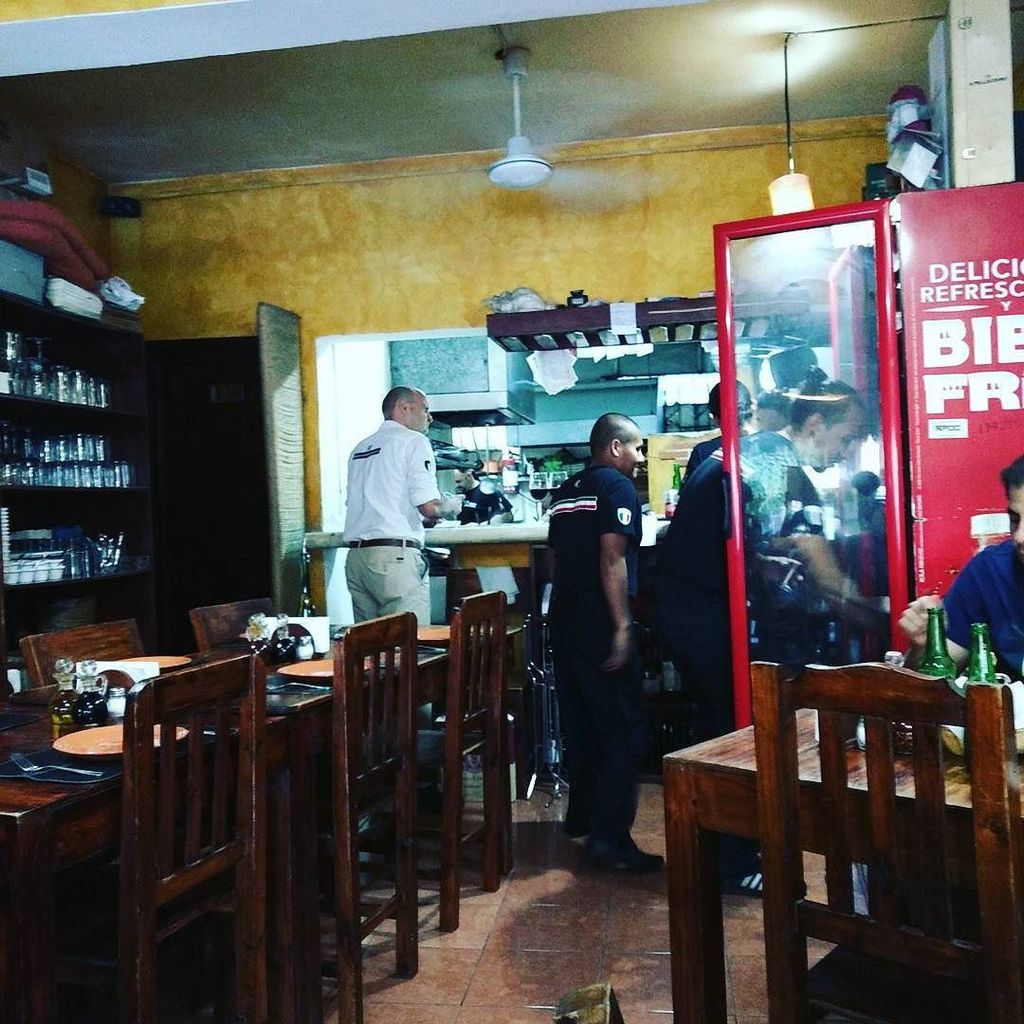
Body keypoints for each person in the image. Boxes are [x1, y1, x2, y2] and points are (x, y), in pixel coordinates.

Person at [656, 370, 871, 893]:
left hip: (694, 607)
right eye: (846, 438)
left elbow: (770, 556)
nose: (847, 453)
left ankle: (727, 851)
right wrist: (873, 615)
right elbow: (809, 559)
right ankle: (732, 862)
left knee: (724, 727)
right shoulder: (776, 461)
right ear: (815, 423)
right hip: (703, 613)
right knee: (735, 734)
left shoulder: (762, 450)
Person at [547, 412, 661, 873]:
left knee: (581, 722)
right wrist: (621, 627)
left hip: (564, 616)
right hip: (598, 616)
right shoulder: (616, 487)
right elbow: (611, 558)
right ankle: (610, 840)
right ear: (615, 447)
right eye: (636, 447)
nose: (639, 457)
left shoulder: (565, 490)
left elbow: (555, 559)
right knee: (623, 727)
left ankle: (582, 817)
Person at [899, 454, 1024, 678]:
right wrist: (926, 646)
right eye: (1015, 520)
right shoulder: (989, 572)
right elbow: (929, 683)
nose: (1020, 537)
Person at [342, 386, 457, 624]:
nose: (430, 417)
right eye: (425, 409)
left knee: (368, 642)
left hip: (356, 560)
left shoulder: (360, 448)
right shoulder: (414, 441)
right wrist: (453, 506)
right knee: (408, 638)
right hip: (394, 560)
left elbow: (376, 501)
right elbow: (429, 507)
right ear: (404, 408)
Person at [682, 380, 753, 482]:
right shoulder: (771, 444)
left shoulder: (703, 452)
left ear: (714, 418)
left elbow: (689, 491)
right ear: (752, 408)